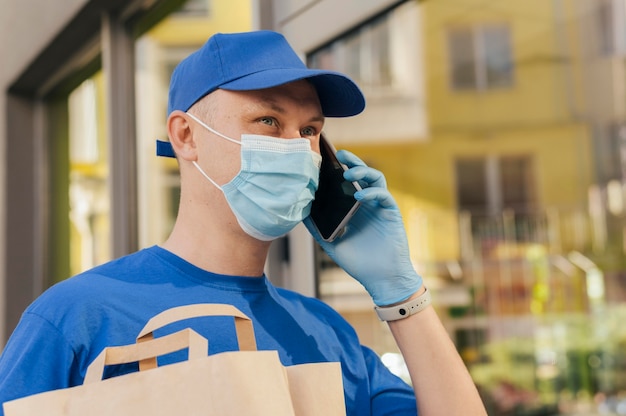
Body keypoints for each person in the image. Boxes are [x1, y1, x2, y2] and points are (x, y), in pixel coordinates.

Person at [0, 30, 487, 415]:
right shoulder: (76, 318)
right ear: (186, 135)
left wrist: (403, 296)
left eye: (311, 130)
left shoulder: (325, 332)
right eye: (269, 122)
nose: (298, 147)